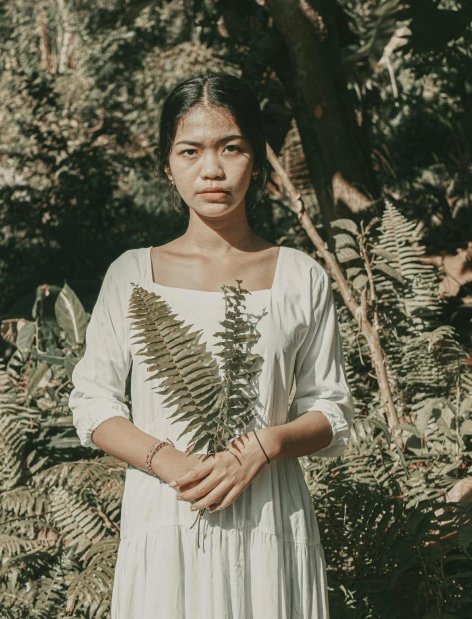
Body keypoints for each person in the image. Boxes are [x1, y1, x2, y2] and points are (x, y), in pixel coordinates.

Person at [68, 73, 355, 619]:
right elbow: (93, 403)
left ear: (258, 162)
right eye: (190, 150)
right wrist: (171, 463)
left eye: (232, 147)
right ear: (167, 166)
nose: (212, 169)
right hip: (166, 519)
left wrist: (262, 447)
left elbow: (331, 410)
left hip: (270, 521)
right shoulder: (132, 275)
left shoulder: (300, 276)